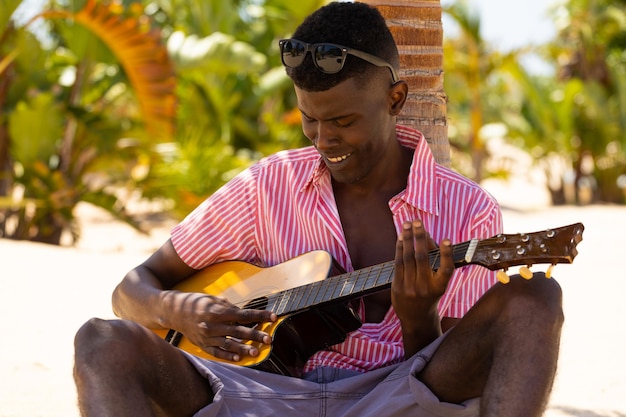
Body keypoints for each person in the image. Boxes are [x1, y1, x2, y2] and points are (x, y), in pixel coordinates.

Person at [73, 2, 564, 416]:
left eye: (344, 121)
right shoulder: (268, 184)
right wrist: (182, 311)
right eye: (310, 118)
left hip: (392, 397)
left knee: (536, 300)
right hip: (255, 394)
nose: (325, 139)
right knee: (100, 341)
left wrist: (418, 317)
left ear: (395, 98)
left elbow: (452, 378)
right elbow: (131, 290)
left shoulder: (466, 208)